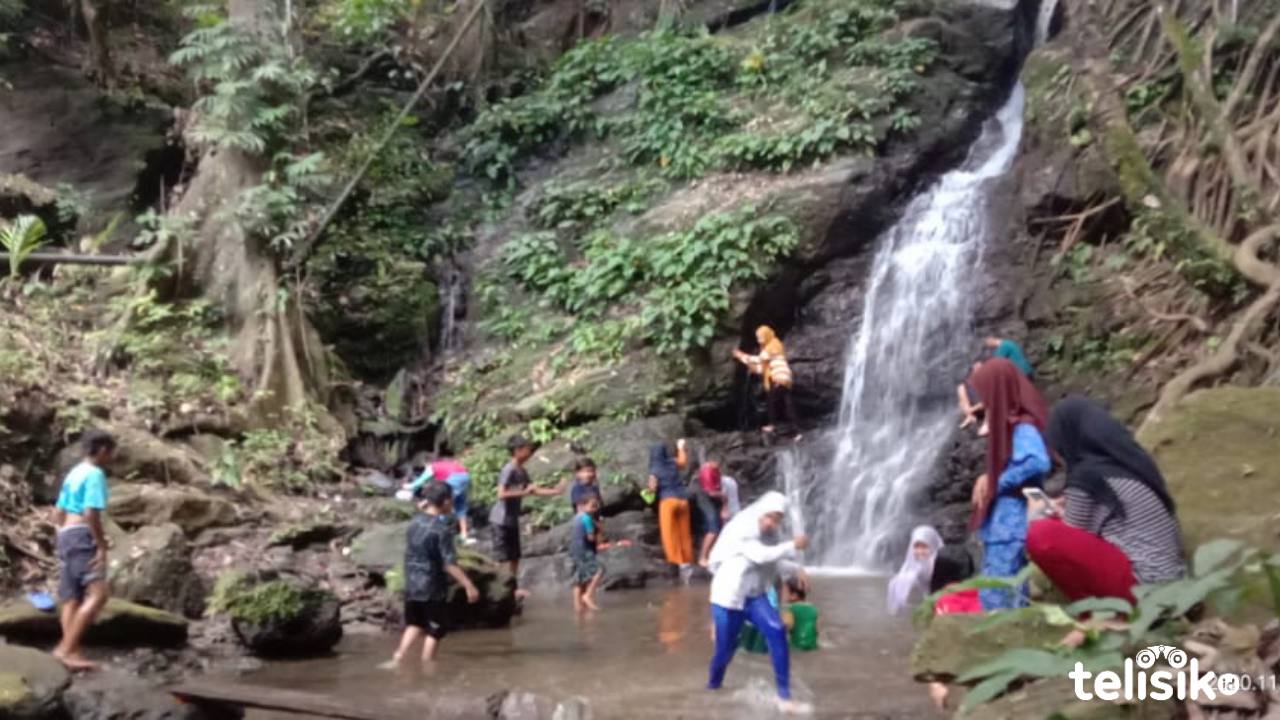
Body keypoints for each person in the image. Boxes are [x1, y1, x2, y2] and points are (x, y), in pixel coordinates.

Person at [1027, 398, 1186, 603]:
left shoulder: (1086, 476)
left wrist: (1037, 512)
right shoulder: (1126, 466)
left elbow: (1070, 537)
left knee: (1041, 534)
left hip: (1146, 585)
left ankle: (1095, 613)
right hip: (1169, 576)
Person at [706, 491, 812, 715]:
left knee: (776, 629)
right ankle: (713, 687)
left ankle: (784, 697)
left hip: (754, 596)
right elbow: (760, 556)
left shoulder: (771, 536)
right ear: (760, 512)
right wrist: (793, 544)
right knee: (725, 650)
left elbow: (772, 565)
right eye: (769, 517)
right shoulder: (742, 527)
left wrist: (797, 569)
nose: (771, 523)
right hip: (728, 597)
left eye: (777, 519)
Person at [964, 358, 1051, 610]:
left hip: (1012, 519)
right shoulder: (1009, 428)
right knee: (1001, 581)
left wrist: (996, 482)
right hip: (1003, 521)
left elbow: (1037, 461)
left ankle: (1001, 631)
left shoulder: (1021, 426)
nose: (982, 398)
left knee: (1001, 582)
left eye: (985, 392)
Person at [386, 483, 480, 666]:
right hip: (431, 586)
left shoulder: (414, 522)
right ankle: (428, 665)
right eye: (451, 500)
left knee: (415, 623)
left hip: (412, 583)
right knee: (436, 629)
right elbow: (449, 564)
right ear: (445, 502)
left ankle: (398, 657)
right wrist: (469, 585)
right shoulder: (441, 530)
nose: (453, 503)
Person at [51, 430, 116, 671]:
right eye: (110, 452)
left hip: (66, 535)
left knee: (72, 597)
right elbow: (90, 512)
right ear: (101, 450)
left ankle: (73, 651)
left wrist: (64, 535)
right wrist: (101, 545)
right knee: (99, 595)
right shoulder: (95, 474)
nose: (110, 457)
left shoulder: (74, 473)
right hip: (81, 536)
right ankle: (65, 650)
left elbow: (58, 512)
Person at [488, 435, 564, 598]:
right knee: (501, 557)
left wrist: (555, 491)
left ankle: (512, 587)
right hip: (500, 520)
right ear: (517, 451)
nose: (530, 452)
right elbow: (501, 494)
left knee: (515, 556)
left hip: (511, 520)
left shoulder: (522, 471)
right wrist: (523, 492)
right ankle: (496, 589)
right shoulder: (509, 469)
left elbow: (533, 490)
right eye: (527, 448)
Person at [733, 325, 795, 434]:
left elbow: (759, 359)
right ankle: (795, 431)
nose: (759, 340)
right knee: (785, 404)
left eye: (760, 337)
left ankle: (773, 425)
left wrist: (740, 355)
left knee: (771, 402)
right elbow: (761, 369)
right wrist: (749, 365)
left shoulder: (774, 344)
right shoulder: (768, 350)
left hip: (778, 377)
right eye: (758, 337)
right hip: (783, 378)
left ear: (766, 335)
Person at [648, 440, 696, 575]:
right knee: (684, 532)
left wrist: (649, 492)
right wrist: (680, 447)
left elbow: (652, 488)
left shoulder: (654, 469)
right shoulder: (673, 462)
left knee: (670, 534)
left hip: (668, 502)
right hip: (683, 500)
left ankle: (677, 562)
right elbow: (683, 461)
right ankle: (687, 561)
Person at [406, 458, 475, 545]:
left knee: (442, 504)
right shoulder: (446, 464)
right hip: (465, 478)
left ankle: (436, 533)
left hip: (455, 478)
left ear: (427, 464)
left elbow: (422, 479)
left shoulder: (432, 466)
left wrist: (410, 486)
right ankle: (464, 536)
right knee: (460, 508)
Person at [886, 526, 944, 615]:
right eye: (916, 547)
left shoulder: (943, 562)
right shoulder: (911, 564)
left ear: (933, 544)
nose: (920, 551)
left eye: (924, 547)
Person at [570, 495, 607, 612]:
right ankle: (588, 595)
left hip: (575, 551)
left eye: (596, 506)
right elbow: (591, 538)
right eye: (592, 506)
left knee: (579, 579)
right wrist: (600, 530)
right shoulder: (587, 519)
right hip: (585, 550)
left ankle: (578, 608)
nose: (594, 509)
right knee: (599, 570)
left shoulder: (577, 517)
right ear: (583, 506)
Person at [695, 462, 726, 567]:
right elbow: (711, 493)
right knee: (713, 530)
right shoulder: (706, 471)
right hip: (705, 499)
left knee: (718, 528)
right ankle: (702, 557)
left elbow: (717, 488)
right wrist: (723, 495)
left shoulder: (716, 470)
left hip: (715, 501)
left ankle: (713, 555)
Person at [781, 577, 818, 652]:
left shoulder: (790, 609)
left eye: (785, 592)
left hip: (796, 647)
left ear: (794, 595)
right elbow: (816, 630)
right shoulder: (814, 609)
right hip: (813, 646)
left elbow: (786, 627)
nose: (782, 595)